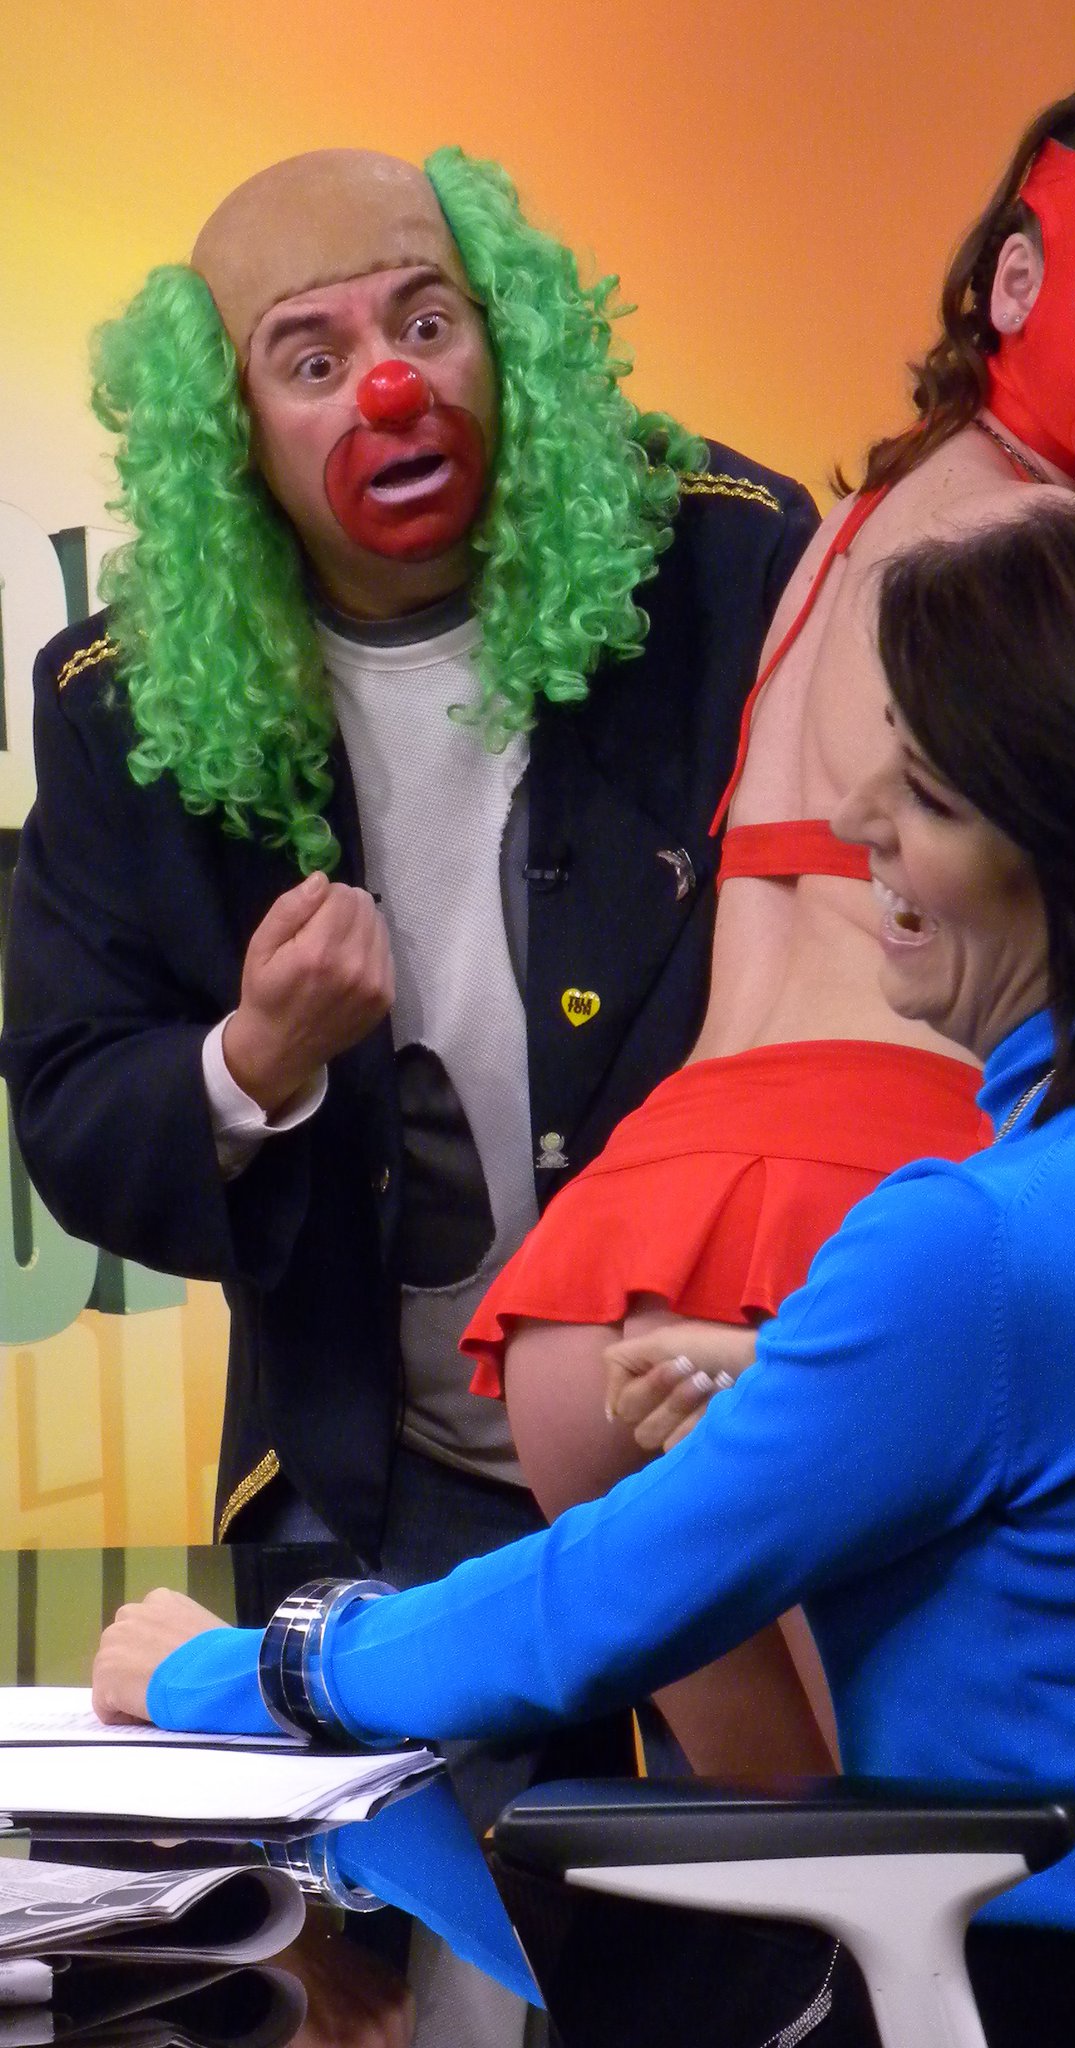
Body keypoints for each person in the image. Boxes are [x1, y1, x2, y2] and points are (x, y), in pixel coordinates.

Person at [94, 478, 1075, 2048]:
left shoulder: (980, 1252)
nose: (856, 829)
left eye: (928, 794)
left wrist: (252, 1668)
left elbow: (583, 1613)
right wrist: (803, 1383)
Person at [452, 67, 1075, 1764]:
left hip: (633, 1250)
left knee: (828, 1890)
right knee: (945, 1864)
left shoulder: (871, 519)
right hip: (845, 1232)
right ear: (1017, 279)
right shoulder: (1044, 589)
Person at [0, 147, 816, 1585]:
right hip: (380, 1483)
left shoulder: (723, 564)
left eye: (427, 324)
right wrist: (256, 1056)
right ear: (230, 430)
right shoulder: (119, 701)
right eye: (313, 363)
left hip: (736, 1440)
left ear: (507, 334)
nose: (393, 388)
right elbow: (76, 1108)